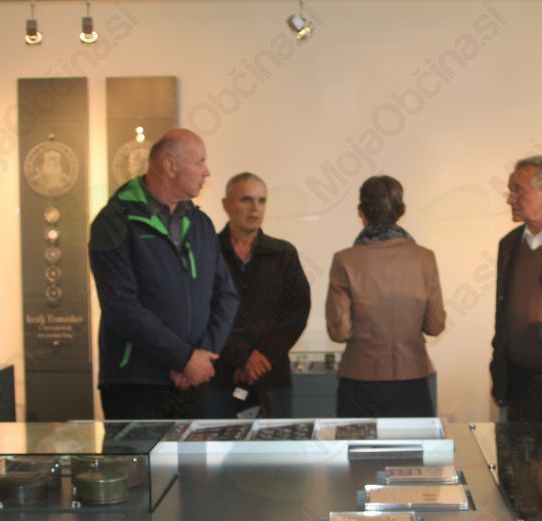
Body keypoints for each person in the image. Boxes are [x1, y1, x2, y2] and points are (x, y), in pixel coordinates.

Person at [89, 128, 239, 420]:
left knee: (194, 454)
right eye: (199, 161)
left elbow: (226, 295)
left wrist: (201, 357)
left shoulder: (201, 223)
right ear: (170, 166)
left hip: (194, 382)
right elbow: (120, 306)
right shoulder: (113, 222)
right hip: (135, 384)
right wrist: (183, 359)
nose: (206, 171)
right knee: (140, 454)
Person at [325, 175, 445, 417]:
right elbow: (435, 325)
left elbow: (340, 331)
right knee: (413, 443)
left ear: (361, 212)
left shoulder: (344, 260)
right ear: (401, 211)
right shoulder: (425, 258)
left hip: (359, 380)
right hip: (412, 380)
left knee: (356, 442)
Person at [207, 172, 311, 418]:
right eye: (246, 199)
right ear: (226, 204)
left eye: (261, 200)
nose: (255, 208)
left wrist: (261, 357)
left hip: (271, 375)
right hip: (219, 378)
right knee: (217, 443)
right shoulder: (208, 252)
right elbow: (202, 313)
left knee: (276, 443)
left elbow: (297, 312)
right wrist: (242, 357)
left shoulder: (283, 253)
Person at [490, 155, 542, 423]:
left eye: (518, 190)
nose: (510, 199)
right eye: (510, 191)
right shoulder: (509, 244)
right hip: (514, 378)